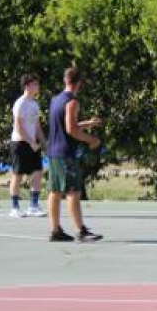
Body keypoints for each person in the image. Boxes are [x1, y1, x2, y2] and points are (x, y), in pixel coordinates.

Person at [46, 67, 103, 242]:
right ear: (79, 83)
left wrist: (88, 123)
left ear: (65, 80)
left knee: (54, 191)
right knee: (73, 192)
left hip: (53, 152)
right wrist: (91, 140)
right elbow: (71, 130)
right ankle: (81, 231)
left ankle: (55, 230)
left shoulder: (55, 100)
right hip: (66, 153)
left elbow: (66, 124)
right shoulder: (72, 102)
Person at [9, 74, 46, 218]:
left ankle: (33, 206)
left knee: (37, 172)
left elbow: (37, 127)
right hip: (19, 143)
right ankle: (14, 208)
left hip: (33, 144)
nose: (38, 87)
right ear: (27, 86)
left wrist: (44, 143)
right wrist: (31, 142)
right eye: (35, 84)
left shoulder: (35, 104)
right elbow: (18, 127)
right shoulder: (20, 103)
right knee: (17, 175)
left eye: (38, 84)